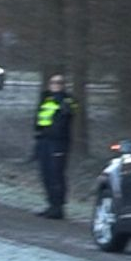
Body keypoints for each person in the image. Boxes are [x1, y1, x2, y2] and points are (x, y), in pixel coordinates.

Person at [34, 72, 77, 219]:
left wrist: (61, 100)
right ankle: (51, 204)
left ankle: (58, 207)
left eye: (59, 83)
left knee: (56, 175)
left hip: (59, 143)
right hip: (44, 141)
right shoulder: (46, 99)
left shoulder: (67, 100)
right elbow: (39, 119)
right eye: (53, 83)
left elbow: (69, 113)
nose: (55, 85)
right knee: (45, 174)